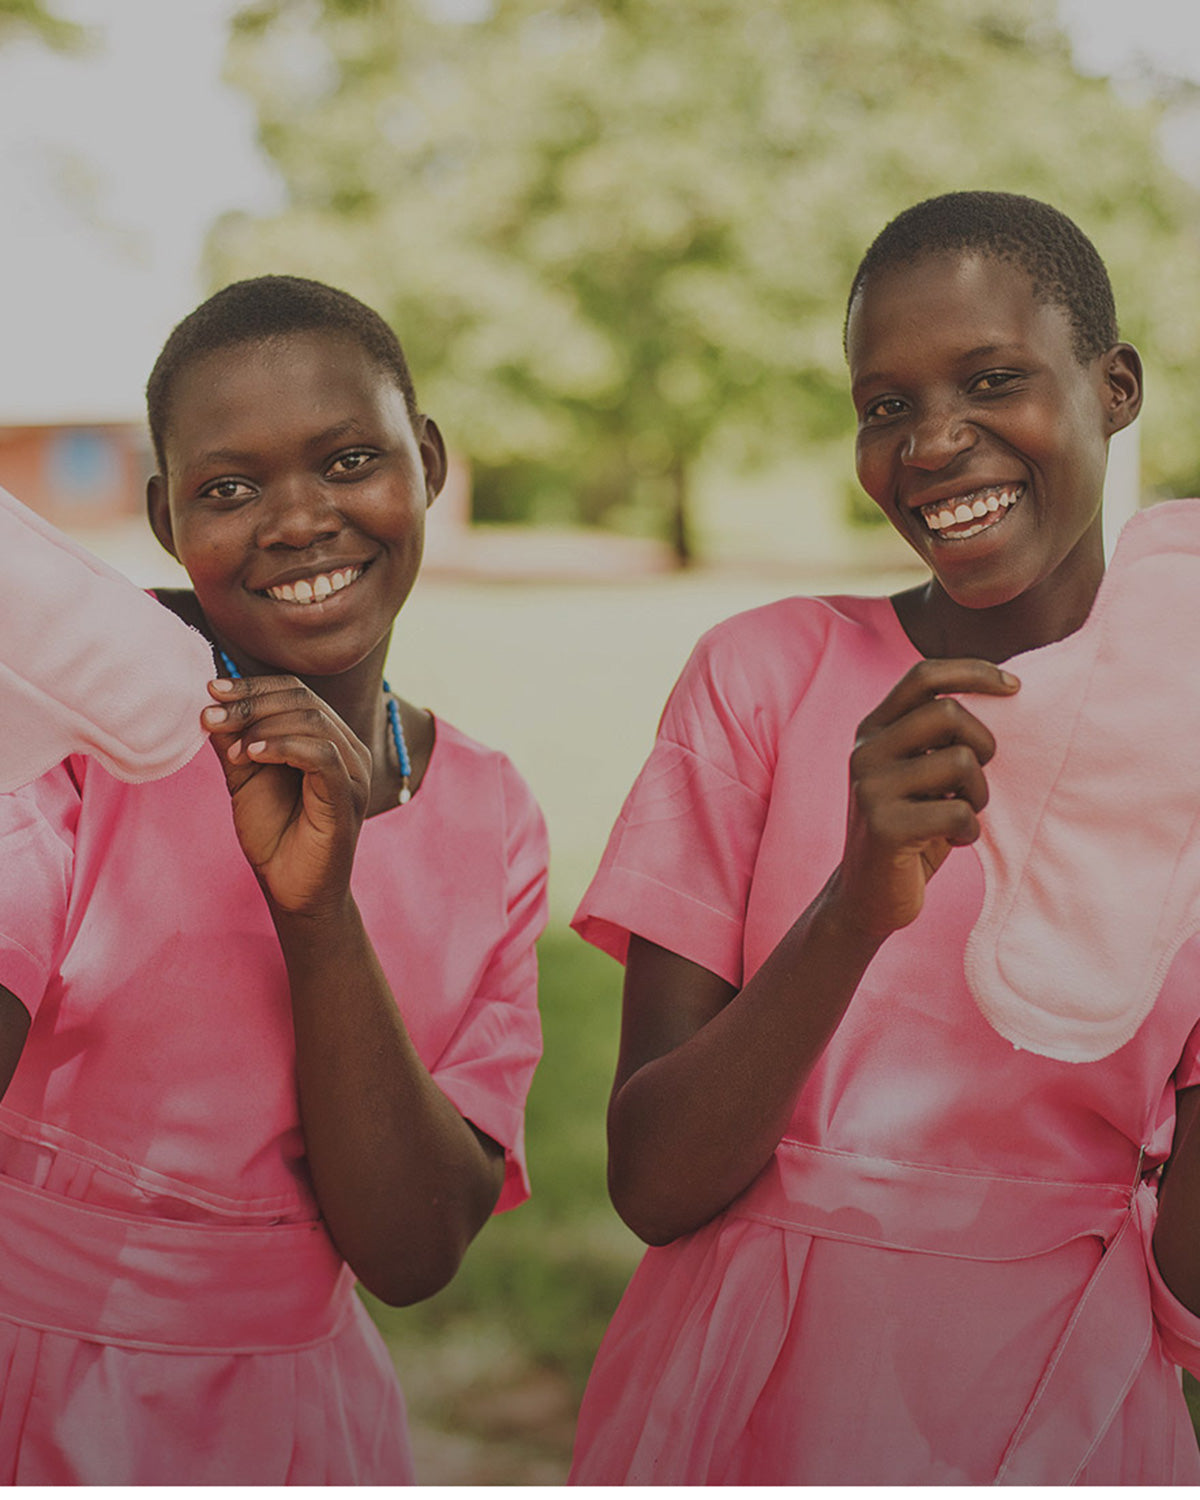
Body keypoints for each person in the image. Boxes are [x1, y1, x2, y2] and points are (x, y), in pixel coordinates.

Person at [568, 191, 1200, 1484]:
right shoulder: (762, 679)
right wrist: (852, 906)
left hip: (1055, 1410)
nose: (933, 442)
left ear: (1115, 386)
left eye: (991, 378)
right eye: (884, 406)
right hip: (744, 1396)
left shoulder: (1183, 737)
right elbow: (656, 1178)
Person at [0, 275, 548, 1484]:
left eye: (350, 459)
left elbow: (411, 1253)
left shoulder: (492, 812)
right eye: (230, 488)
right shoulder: (91, 744)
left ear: (430, 461)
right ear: (164, 517)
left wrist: (320, 913)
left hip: (299, 1427)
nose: (298, 520)